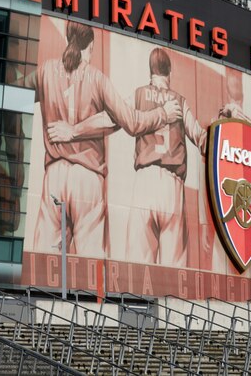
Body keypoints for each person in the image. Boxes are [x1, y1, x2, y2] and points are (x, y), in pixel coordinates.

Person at [30, 21, 182, 257]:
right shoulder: (97, 79)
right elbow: (132, 122)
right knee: (91, 274)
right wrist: (163, 114)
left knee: (43, 265)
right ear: (90, 46)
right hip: (87, 179)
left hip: (54, 176)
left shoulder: (45, 71)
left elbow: (14, 90)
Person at [125, 47, 207, 267]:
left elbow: (116, 117)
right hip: (172, 186)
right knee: (174, 275)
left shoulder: (138, 94)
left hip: (144, 181)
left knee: (138, 271)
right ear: (169, 72)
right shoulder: (179, 101)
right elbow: (201, 138)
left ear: (150, 71)